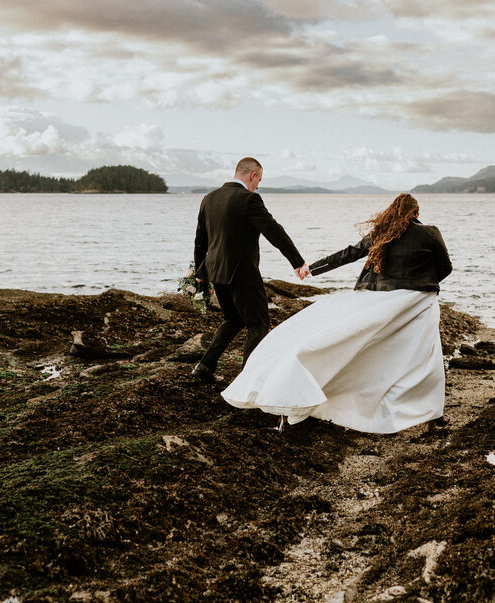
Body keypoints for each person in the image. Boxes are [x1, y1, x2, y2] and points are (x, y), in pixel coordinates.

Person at [221, 192, 452, 433]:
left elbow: (349, 253)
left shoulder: (382, 234)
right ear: (416, 214)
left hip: (380, 302)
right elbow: (445, 267)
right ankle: (432, 417)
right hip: (418, 303)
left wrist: (312, 269)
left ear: (392, 213)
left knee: (370, 353)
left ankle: (311, 400)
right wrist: (420, 282)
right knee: (426, 358)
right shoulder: (430, 233)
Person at [191, 157, 309, 383]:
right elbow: (274, 231)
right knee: (258, 325)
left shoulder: (209, 198)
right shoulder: (249, 199)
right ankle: (248, 380)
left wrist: (200, 272)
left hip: (216, 271)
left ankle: (204, 367)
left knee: (233, 319)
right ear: (252, 175)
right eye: (259, 180)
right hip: (242, 273)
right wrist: (297, 262)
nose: (258, 185)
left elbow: (200, 240)